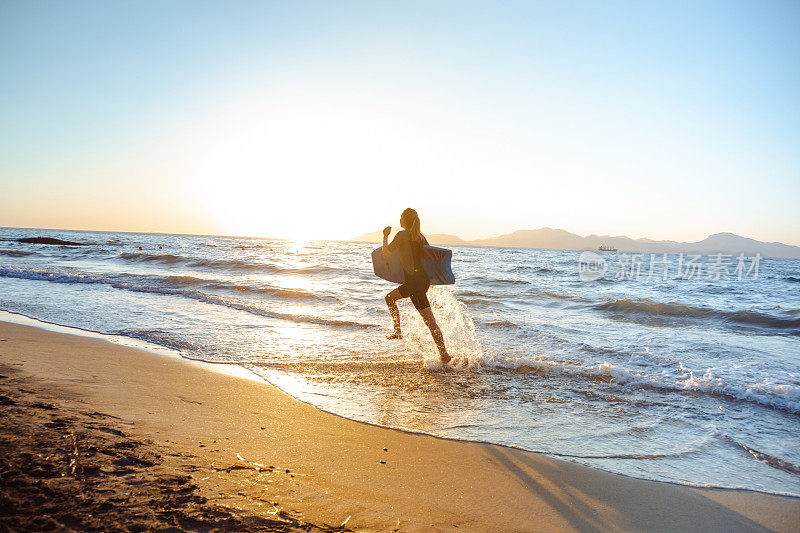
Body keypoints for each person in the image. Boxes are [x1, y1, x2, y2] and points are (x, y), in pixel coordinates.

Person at [382, 208, 451, 364]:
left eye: (401, 217)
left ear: (404, 220)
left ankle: (444, 354)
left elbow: (386, 253)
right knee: (389, 298)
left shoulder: (401, 235)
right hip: (419, 281)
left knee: (430, 322)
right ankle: (397, 331)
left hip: (414, 283)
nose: (399, 220)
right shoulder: (420, 237)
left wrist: (385, 236)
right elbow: (430, 258)